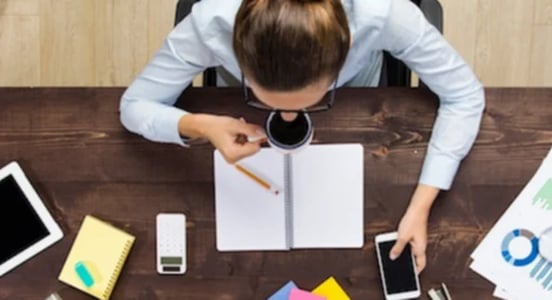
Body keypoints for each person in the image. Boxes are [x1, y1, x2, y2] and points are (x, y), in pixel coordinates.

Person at [119, 0, 485, 273]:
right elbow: (135, 106)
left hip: (358, 98)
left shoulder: (383, 13)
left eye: (309, 102)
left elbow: (465, 94)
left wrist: (421, 206)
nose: (290, 118)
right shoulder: (210, 22)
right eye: (269, 99)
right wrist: (201, 126)